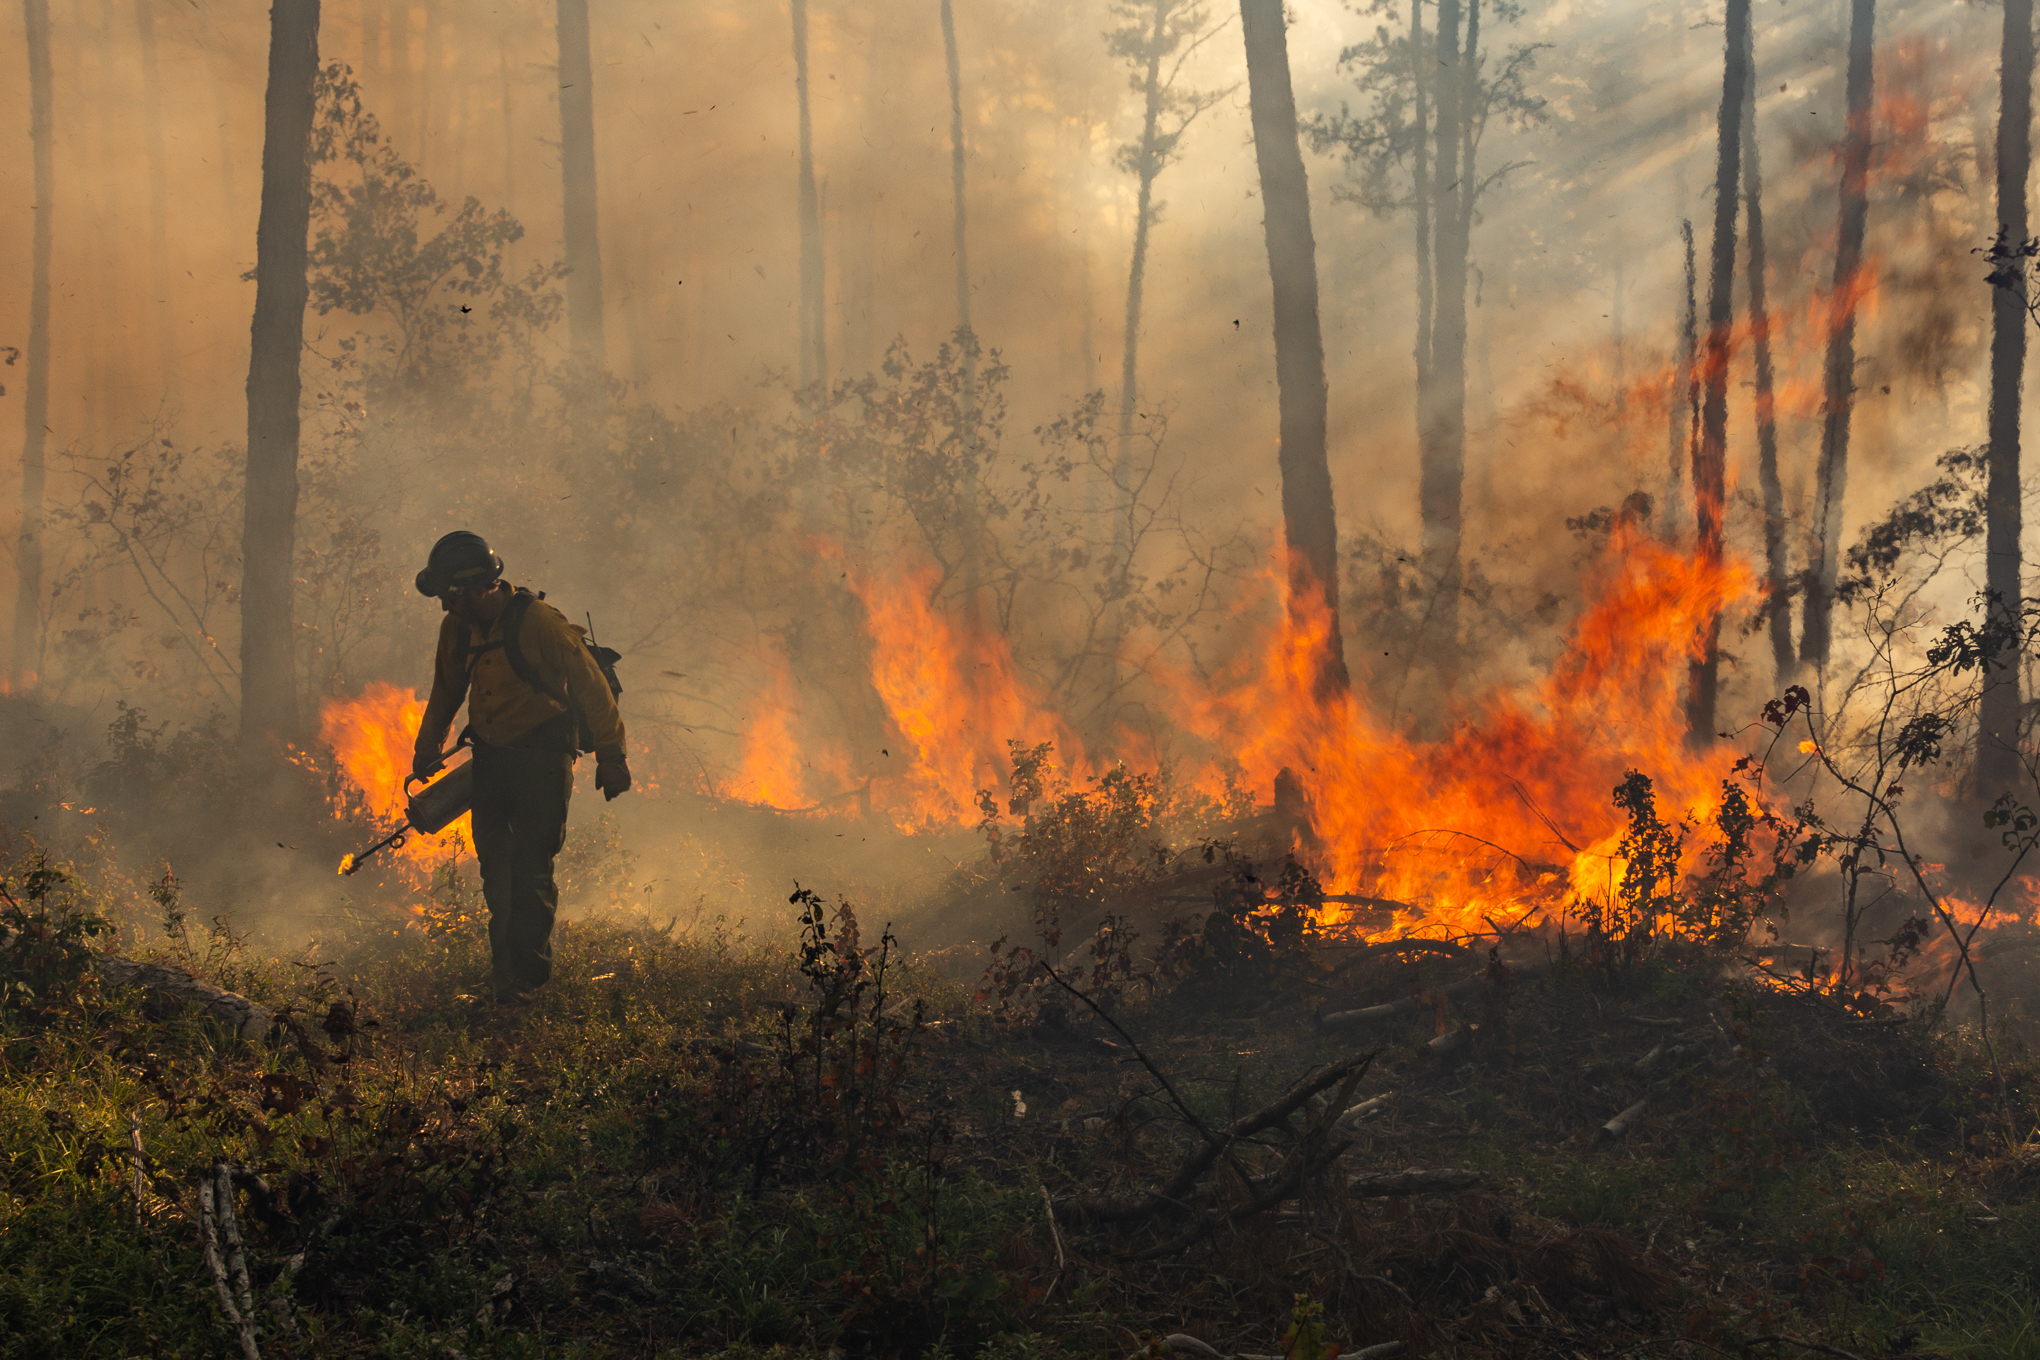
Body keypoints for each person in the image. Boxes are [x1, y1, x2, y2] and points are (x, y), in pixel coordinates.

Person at [410, 531, 631, 1002]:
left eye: (451, 598)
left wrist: (611, 757)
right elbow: (447, 688)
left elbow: (593, 689)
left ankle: (526, 980)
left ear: (478, 590)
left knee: (530, 868)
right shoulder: (457, 629)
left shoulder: (539, 624)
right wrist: (427, 745)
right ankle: (503, 973)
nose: (446, 608)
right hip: (491, 761)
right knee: (496, 868)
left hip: (543, 763)